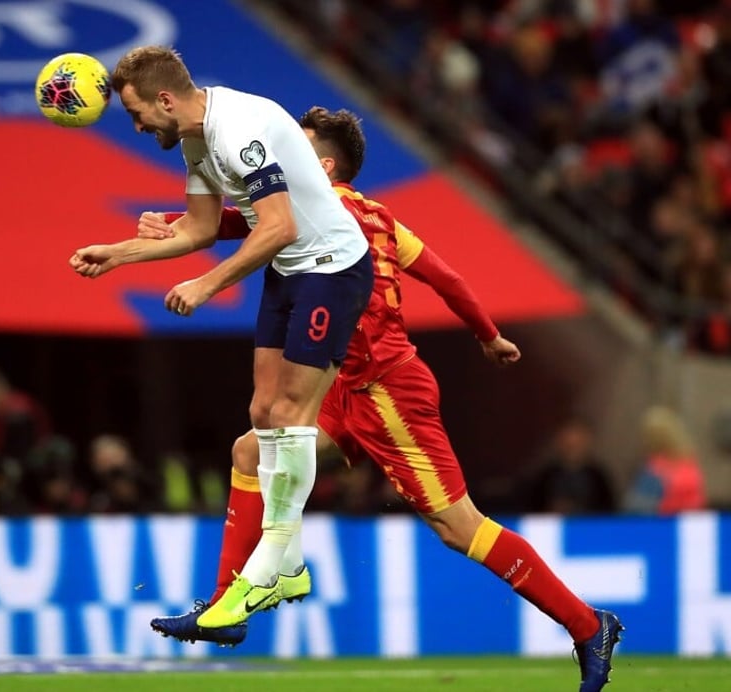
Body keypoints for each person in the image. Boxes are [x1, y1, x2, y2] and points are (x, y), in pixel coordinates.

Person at [144, 106, 622, 692]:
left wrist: (175, 224)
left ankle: (586, 623)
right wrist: (488, 335)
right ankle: (225, 607)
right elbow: (448, 279)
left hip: (386, 389)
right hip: (342, 386)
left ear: (321, 164)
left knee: (459, 527)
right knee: (253, 451)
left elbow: (245, 225)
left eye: (297, 143)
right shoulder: (381, 217)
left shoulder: (316, 208)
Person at [70, 47, 374, 628]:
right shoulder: (195, 140)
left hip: (332, 268)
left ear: (165, 99)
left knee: (290, 412)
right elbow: (201, 228)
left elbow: (280, 224)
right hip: (291, 269)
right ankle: (289, 563)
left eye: (137, 114)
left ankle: (273, 566)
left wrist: (208, 286)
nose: (136, 127)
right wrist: (119, 253)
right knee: (263, 410)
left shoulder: (236, 132)